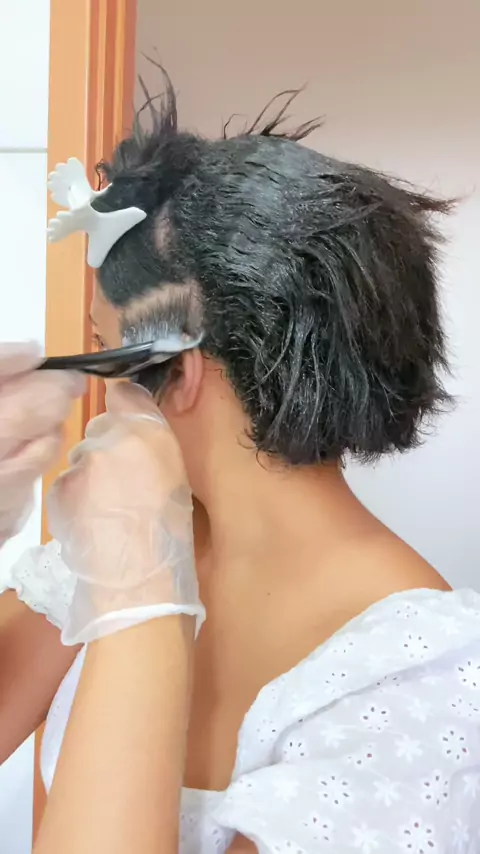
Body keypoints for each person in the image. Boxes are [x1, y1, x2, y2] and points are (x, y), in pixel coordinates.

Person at [2, 75, 480, 852]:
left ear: (177, 369)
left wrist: (141, 608)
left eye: (102, 350)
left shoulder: (422, 682)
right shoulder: (113, 554)